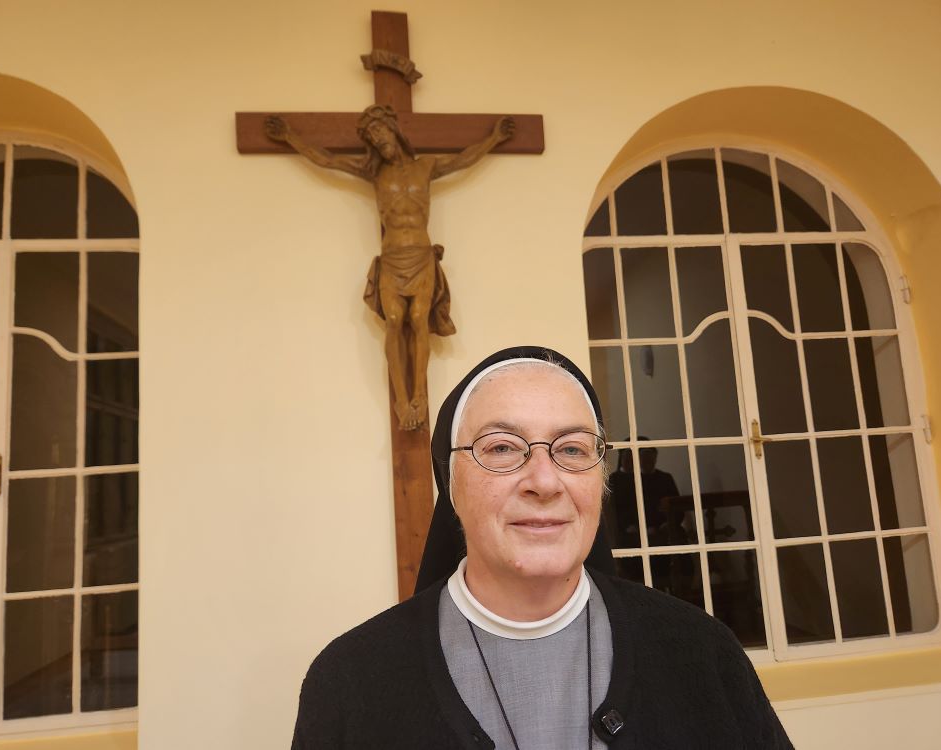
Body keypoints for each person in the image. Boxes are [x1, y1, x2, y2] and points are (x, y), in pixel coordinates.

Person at [291, 346, 793, 749]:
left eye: (572, 448)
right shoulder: (350, 682)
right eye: (502, 447)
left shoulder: (704, 655)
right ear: (452, 486)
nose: (544, 481)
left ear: (600, 481)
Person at [265, 106, 515, 431]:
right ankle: (401, 399)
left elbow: (463, 160)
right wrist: (290, 138)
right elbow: (327, 160)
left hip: (421, 256)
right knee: (394, 320)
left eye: (380, 132)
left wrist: (494, 138)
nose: (378, 140)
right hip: (393, 258)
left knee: (417, 319)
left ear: (393, 131)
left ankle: (419, 397)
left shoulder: (425, 167)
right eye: (371, 137)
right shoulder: (375, 173)